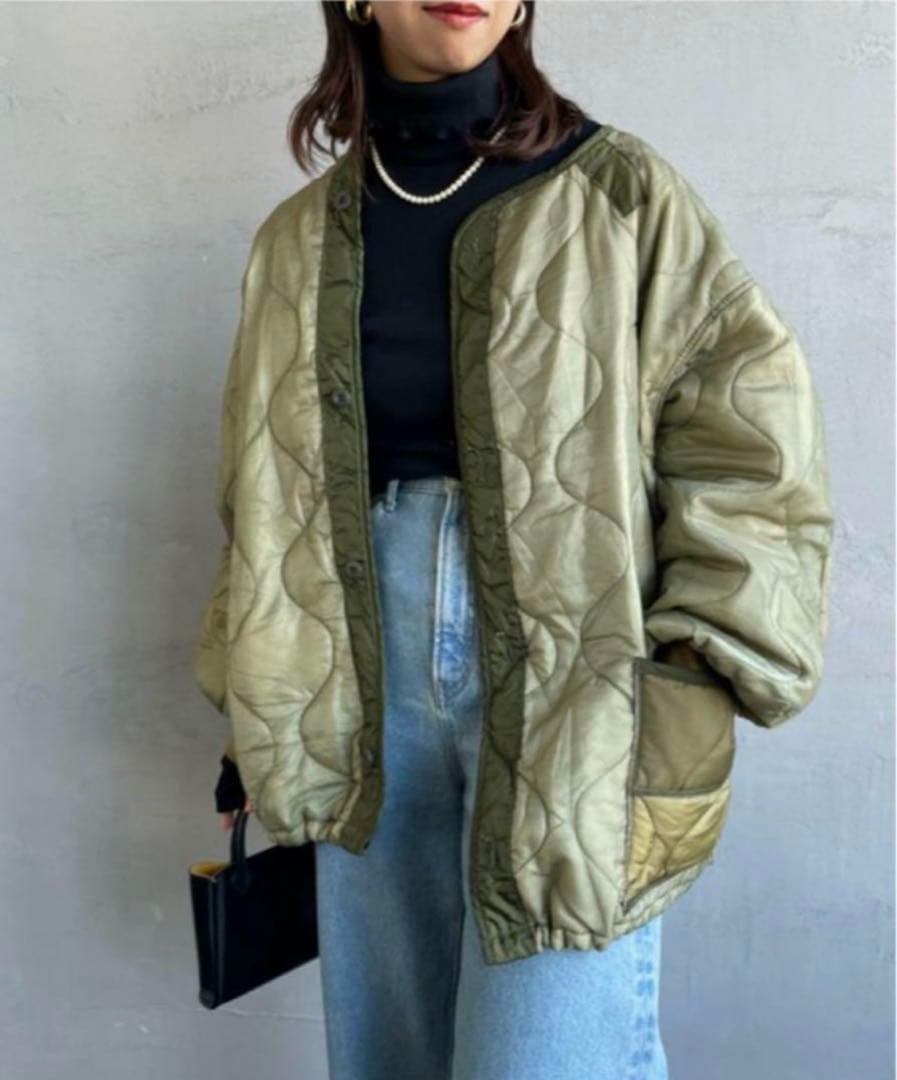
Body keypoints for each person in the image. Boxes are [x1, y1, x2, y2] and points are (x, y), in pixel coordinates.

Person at [195, 2, 834, 1078]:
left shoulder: (622, 195)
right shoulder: (297, 240)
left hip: (580, 677)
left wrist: (697, 668)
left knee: (548, 1054)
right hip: (352, 682)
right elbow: (256, 489)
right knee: (388, 1057)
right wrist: (256, 691)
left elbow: (751, 440)